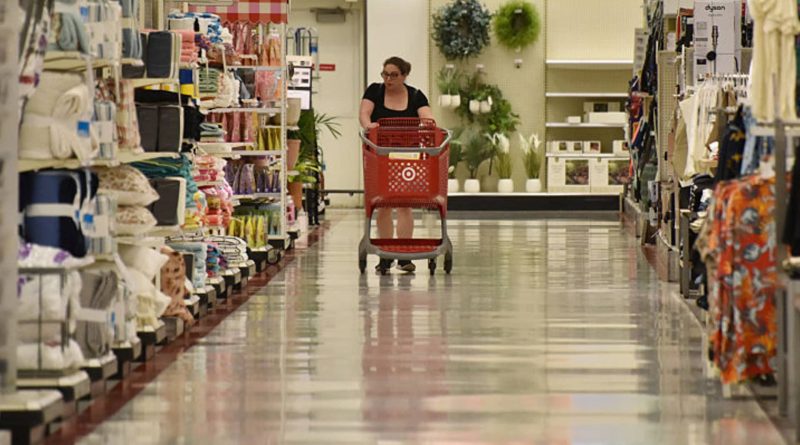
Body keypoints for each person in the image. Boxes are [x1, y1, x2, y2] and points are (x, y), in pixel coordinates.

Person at [360, 56, 434, 273]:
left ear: (404, 76)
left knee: (404, 204)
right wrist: (369, 125)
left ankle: (403, 254)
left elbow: (428, 118)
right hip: (379, 155)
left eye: (393, 75)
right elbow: (364, 113)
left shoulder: (416, 95)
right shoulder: (374, 91)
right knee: (383, 204)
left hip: (406, 158)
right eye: (385, 74)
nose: (388, 79)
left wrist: (427, 125)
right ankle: (385, 255)